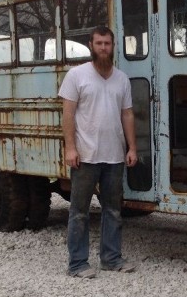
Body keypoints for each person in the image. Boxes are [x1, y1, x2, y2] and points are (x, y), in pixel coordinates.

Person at [58, 25, 138, 278]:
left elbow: (127, 114)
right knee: (79, 211)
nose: (104, 48)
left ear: (113, 47)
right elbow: (68, 114)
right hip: (85, 155)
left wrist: (132, 147)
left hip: (114, 156)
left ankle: (111, 258)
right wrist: (70, 148)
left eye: (108, 43)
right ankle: (77, 264)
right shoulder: (77, 76)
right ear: (91, 46)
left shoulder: (121, 78)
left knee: (113, 210)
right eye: (99, 43)